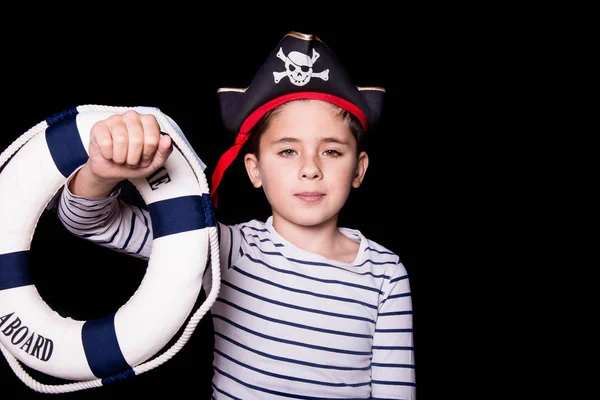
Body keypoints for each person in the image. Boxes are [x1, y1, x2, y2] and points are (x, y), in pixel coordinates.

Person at [56, 31, 416, 399]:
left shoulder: (385, 274)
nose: (310, 169)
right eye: (288, 151)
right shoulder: (224, 248)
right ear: (254, 170)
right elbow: (90, 221)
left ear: (359, 169)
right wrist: (100, 173)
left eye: (332, 152)